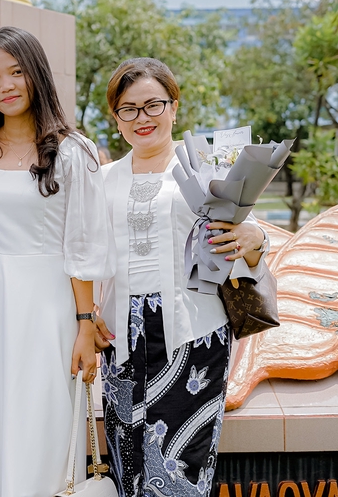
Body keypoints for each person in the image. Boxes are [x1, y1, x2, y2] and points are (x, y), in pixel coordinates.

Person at [0, 26, 116, 497]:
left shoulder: (74, 151)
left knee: (44, 419)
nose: (5, 86)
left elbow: (84, 246)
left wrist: (86, 326)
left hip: (50, 305)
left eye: (16, 72)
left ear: (36, 74)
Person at [93, 57, 268, 497]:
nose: (142, 118)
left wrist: (254, 235)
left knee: (181, 470)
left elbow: (247, 233)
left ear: (174, 106)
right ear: (116, 119)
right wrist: (87, 312)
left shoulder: (207, 171)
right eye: (128, 109)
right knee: (127, 461)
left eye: (153, 105)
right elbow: (86, 253)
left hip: (194, 335)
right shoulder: (102, 179)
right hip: (121, 337)